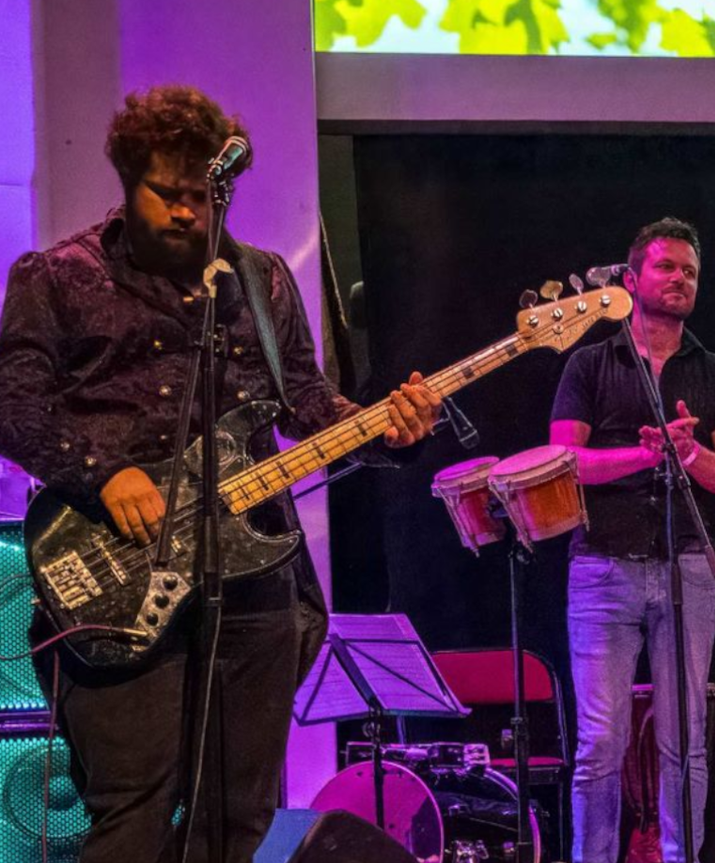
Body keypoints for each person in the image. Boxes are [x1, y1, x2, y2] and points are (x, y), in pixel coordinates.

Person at [0, 85, 442, 863]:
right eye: (166, 195)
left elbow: (306, 401)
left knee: (243, 820)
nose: (187, 214)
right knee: (133, 814)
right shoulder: (58, 276)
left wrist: (389, 429)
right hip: (114, 578)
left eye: (202, 197)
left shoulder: (264, 282)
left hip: (253, 580)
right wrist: (103, 473)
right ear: (126, 180)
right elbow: (12, 403)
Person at [552, 217, 715, 863]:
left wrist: (687, 453)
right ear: (631, 278)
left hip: (687, 567)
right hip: (601, 568)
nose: (681, 279)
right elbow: (563, 465)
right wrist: (645, 457)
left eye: (690, 270)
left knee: (684, 741)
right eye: (668, 267)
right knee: (599, 743)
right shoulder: (589, 363)